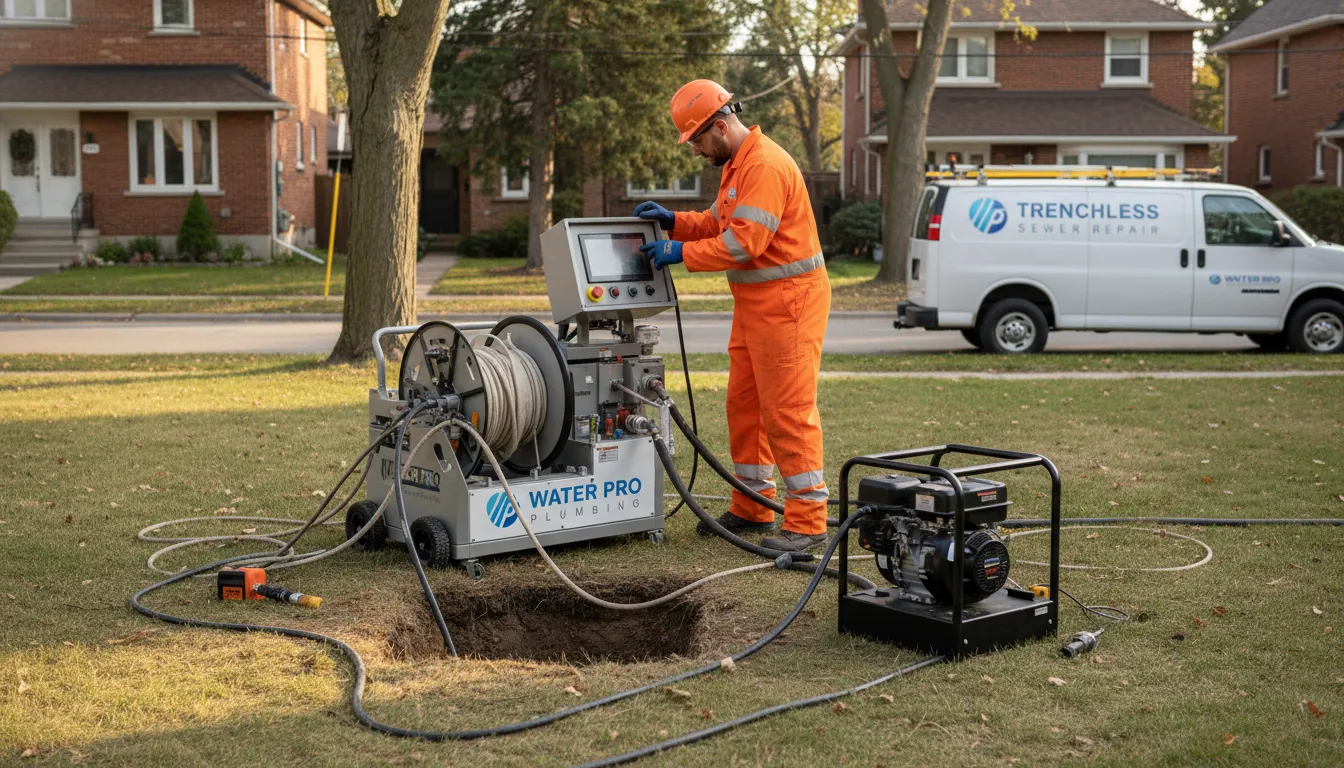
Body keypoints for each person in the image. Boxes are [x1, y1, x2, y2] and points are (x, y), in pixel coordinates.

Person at [632, 79, 831, 552]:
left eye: (697, 139)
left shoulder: (763, 165)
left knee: (787, 410)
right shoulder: (739, 164)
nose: (695, 149)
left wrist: (680, 253)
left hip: (788, 305)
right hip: (758, 305)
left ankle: (807, 522)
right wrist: (675, 222)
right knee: (745, 406)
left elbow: (744, 243)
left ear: (719, 127)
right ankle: (753, 504)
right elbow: (720, 223)